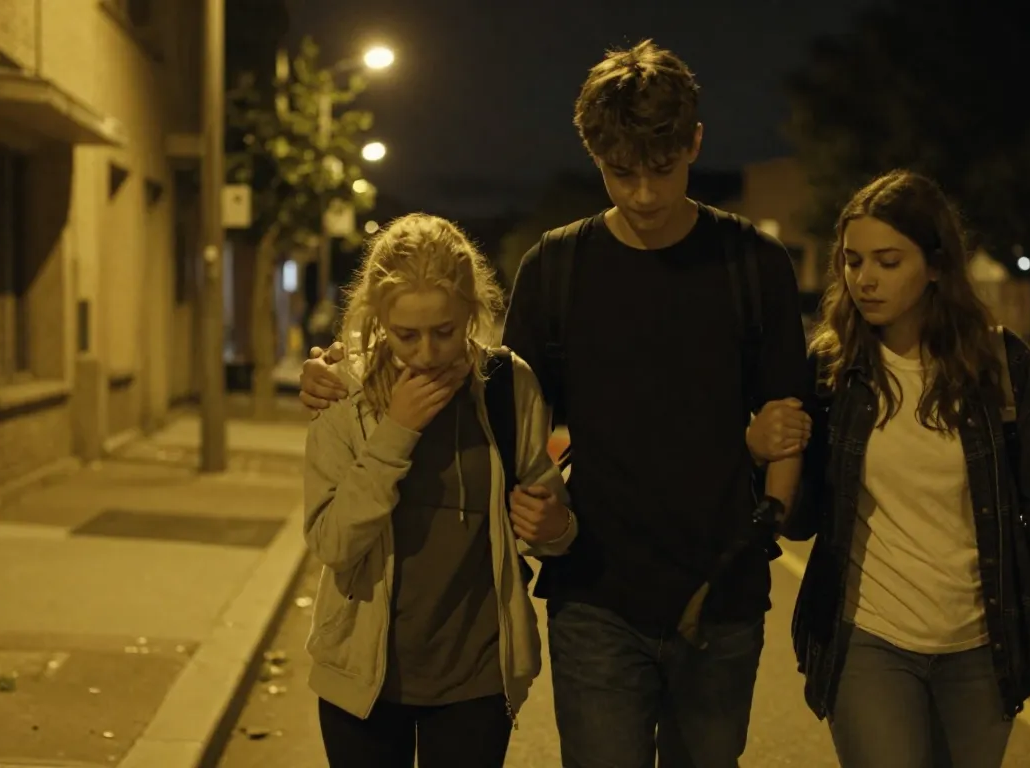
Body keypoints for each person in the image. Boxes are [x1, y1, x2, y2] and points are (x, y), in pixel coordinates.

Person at [301, 40, 811, 767]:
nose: (643, 193)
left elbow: (787, 417)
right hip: (596, 595)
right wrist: (343, 372)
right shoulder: (559, 267)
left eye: (662, 169)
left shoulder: (751, 264)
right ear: (594, 155)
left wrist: (766, 508)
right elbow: (503, 405)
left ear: (695, 144)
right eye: (621, 172)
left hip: (719, 594)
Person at [782, 170, 1030, 768]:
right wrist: (772, 454)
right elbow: (801, 518)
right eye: (853, 261)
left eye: (888, 261)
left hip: (981, 646)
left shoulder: (998, 367)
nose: (864, 279)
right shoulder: (832, 369)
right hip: (867, 638)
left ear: (936, 265)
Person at [303, 213, 577, 768]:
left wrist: (558, 528)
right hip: (362, 675)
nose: (426, 352)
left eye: (445, 331)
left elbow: (548, 518)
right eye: (407, 334)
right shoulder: (342, 393)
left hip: (475, 680)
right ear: (378, 318)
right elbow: (332, 543)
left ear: (472, 313)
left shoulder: (508, 386)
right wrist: (397, 432)